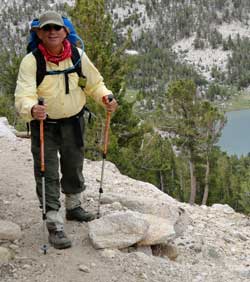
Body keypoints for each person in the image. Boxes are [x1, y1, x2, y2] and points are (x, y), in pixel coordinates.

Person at [14, 11, 118, 249]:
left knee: (73, 164)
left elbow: (95, 83)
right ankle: (54, 222)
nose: (52, 32)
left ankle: (73, 206)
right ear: (39, 33)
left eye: (57, 28)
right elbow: (23, 95)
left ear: (65, 32)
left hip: (74, 121)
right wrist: (31, 109)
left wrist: (105, 97)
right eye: (47, 29)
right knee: (47, 171)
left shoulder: (78, 57)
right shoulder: (32, 61)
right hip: (44, 125)